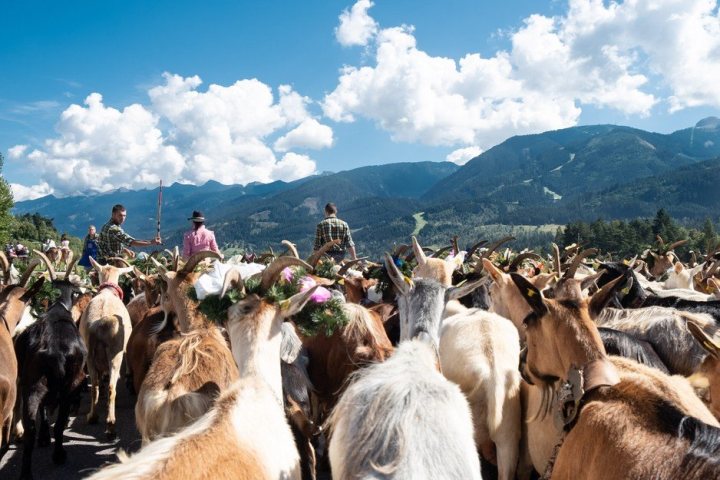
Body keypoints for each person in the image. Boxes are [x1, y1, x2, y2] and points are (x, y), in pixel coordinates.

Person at [97, 204, 162, 263]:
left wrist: (124, 250)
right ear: (113, 215)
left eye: (124, 216)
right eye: (120, 215)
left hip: (102, 260)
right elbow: (131, 241)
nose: (122, 218)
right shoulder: (114, 229)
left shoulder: (106, 225)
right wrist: (151, 242)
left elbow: (109, 244)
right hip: (109, 263)